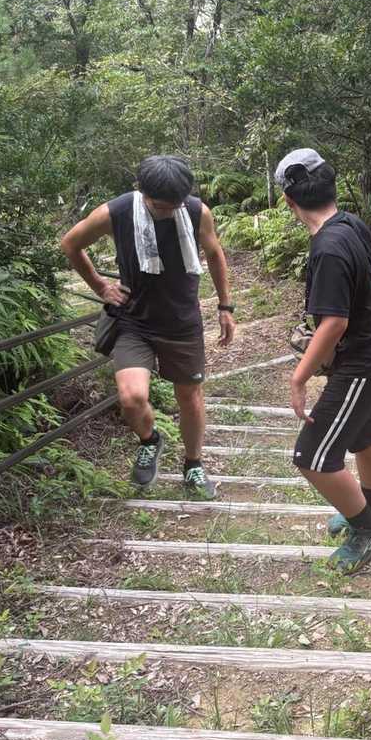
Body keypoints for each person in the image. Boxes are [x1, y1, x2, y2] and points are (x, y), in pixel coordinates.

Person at [60, 155, 235, 497]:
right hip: (133, 320)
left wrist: (225, 306)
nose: (169, 212)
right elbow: (71, 244)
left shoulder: (196, 211)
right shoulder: (117, 212)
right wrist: (100, 286)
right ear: (142, 192)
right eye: (160, 206)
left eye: (175, 205)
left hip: (181, 321)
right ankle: (150, 440)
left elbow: (215, 254)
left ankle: (193, 464)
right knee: (132, 397)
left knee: (189, 397)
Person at [277, 148, 371, 574]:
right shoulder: (351, 224)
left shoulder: (327, 248)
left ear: (289, 201)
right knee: (365, 437)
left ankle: (369, 528)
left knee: (311, 456)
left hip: (361, 362)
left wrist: (299, 378)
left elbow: (334, 323)